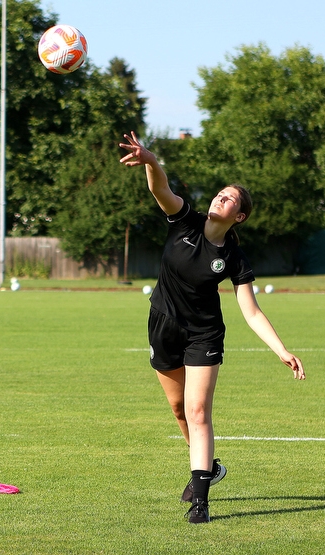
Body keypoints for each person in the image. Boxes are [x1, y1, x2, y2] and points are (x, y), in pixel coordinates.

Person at [119, 131, 305, 524]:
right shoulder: (185, 219)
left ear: (239, 216)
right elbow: (161, 191)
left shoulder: (234, 258)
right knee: (179, 410)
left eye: (230, 198)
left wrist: (282, 350)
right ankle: (210, 467)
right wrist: (151, 162)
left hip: (203, 334)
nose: (221, 198)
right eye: (219, 193)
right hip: (162, 325)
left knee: (199, 409)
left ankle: (200, 501)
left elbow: (251, 311)